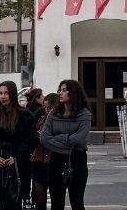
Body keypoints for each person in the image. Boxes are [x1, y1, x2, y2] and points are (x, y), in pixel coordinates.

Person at [0, 81, 35, 210]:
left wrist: (16, 157)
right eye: (0, 93)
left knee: (16, 199)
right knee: (1, 200)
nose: (3, 96)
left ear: (12, 94)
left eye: (6, 93)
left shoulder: (25, 115)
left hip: (18, 164)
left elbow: (30, 139)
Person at [40, 80, 91, 210]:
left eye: (64, 90)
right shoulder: (53, 113)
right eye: (59, 90)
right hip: (56, 160)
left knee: (77, 202)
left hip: (77, 159)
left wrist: (59, 137)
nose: (60, 93)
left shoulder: (84, 114)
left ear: (73, 93)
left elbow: (80, 139)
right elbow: (44, 138)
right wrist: (68, 144)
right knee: (56, 202)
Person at [29, 94, 57, 210]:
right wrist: (36, 136)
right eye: (45, 107)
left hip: (53, 160)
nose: (46, 110)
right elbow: (31, 135)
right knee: (40, 198)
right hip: (39, 160)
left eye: (49, 107)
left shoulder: (60, 120)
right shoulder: (41, 118)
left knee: (56, 198)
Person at [19, 88, 44, 209]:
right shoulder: (39, 111)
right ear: (37, 98)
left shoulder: (25, 109)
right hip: (35, 149)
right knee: (36, 177)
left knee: (25, 175)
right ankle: (34, 199)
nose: (43, 98)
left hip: (24, 149)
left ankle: (25, 198)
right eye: (41, 96)